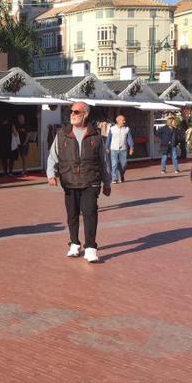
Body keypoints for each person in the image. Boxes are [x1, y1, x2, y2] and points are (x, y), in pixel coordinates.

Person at [47, 101, 111, 264]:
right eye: (71, 112)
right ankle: (74, 243)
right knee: (72, 215)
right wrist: (51, 174)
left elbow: (103, 160)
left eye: (76, 112)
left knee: (90, 213)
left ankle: (90, 248)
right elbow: (53, 155)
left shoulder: (95, 135)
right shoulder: (62, 133)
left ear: (85, 114)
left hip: (91, 180)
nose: (72, 115)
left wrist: (107, 182)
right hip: (69, 180)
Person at [107, 115, 134, 184]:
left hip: (123, 149)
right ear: (118, 121)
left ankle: (121, 176)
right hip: (114, 149)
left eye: (124, 120)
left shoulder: (127, 129)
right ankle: (114, 178)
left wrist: (131, 147)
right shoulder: (112, 129)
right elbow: (109, 139)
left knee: (123, 164)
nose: (124, 121)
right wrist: (107, 147)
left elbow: (129, 139)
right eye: (123, 120)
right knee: (114, 164)